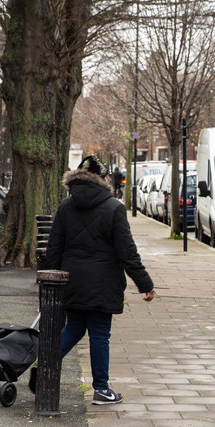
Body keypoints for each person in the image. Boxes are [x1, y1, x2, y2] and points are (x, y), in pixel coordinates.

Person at [42, 154, 155, 404]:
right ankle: (101, 389)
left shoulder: (65, 207)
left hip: (71, 281)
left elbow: (54, 249)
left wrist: (51, 282)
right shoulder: (114, 208)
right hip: (103, 283)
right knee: (99, 334)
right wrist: (144, 284)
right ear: (103, 178)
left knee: (73, 328)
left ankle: (44, 369)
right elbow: (127, 252)